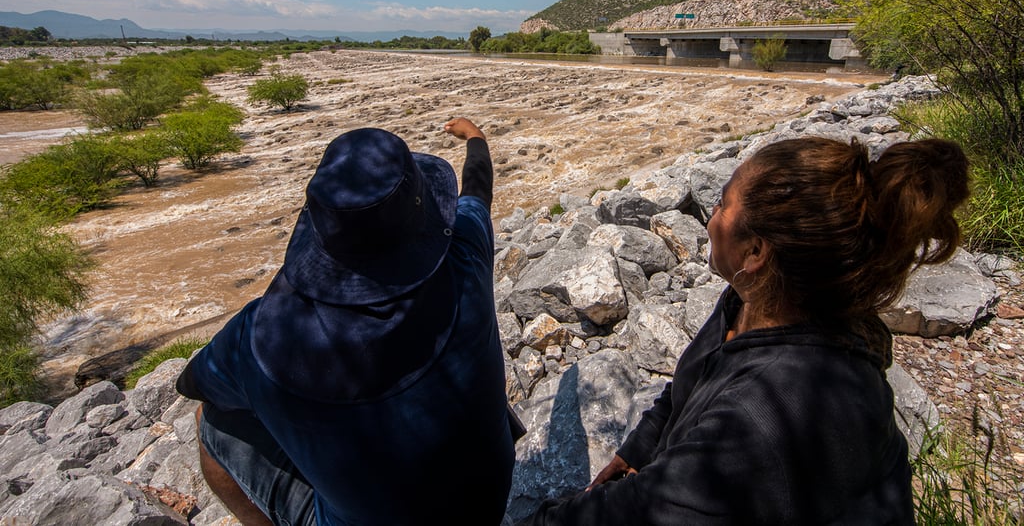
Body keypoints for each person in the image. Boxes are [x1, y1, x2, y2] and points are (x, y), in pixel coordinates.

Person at [525, 136, 970, 525]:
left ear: (755, 250)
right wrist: (638, 449)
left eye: (721, 203)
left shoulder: (773, 415)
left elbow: (642, 513)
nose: (710, 216)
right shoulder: (756, 298)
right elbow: (688, 385)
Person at [176, 118, 517, 525]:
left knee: (210, 421)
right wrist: (475, 138)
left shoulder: (263, 334)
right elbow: (478, 190)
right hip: (487, 502)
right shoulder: (466, 254)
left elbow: (195, 384)